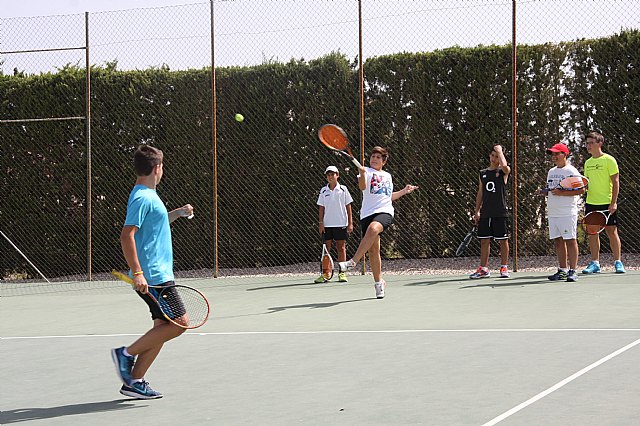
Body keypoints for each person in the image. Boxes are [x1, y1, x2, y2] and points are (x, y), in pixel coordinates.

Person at [111, 145, 194, 399]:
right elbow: (127, 235)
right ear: (157, 168)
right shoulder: (142, 197)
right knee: (180, 324)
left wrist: (177, 214)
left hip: (158, 273)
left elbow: (154, 224)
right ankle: (125, 354)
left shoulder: (147, 195)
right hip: (153, 276)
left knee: (162, 326)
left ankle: (134, 381)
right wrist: (137, 273)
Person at [338, 146, 418, 299]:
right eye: (372, 156)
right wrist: (362, 174)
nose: (374, 159)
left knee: (374, 228)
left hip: (385, 212)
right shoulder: (366, 172)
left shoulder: (387, 176)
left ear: (384, 161)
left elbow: (388, 197)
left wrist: (403, 191)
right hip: (367, 214)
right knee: (374, 251)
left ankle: (352, 262)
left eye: (378, 157)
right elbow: (362, 187)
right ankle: (379, 283)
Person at [537, 143, 585, 282]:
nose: (554, 156)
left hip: (567, 212)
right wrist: (543, 192)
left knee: (570, 240)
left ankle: (573, 271)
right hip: (553, 212)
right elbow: (552, 189)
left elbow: (581, 190)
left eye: (557, 153)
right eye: (552, 154)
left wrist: (562, 193)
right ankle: (563, 270)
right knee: (558, 241)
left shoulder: (572, 171)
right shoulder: (551, 172)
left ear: (565, 154)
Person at [581, 131, 626, 274]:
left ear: (600, 143)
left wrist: (613, 203)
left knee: (612, 232)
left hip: (607, 203)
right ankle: (595, 263)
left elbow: (616, 182)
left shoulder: (609, 160)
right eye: (587, 143)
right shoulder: (588, 163)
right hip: (591, 202)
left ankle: (618, 262)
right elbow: (587, 183)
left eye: (591, 143)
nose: (588, 146)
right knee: (593, 233)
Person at [469, 144, 511, 279]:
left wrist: (500, 150)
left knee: (503, 240)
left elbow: (505, 167)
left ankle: (504, 267)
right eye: (492, 155)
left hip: (500, 212)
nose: (494, 158)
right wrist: (477, 211)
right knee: (484, 241)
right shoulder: (483, 173)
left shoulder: (504, 172)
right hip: (486, 212)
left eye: (497, 156)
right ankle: (483, 269)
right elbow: (480, 193)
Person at [314, 165, 354, 283]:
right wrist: (321, 223)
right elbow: (321, 208)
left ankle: (342, 273)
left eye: (333, 174)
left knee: (341, 248)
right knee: (326, 250)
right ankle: (325, 274)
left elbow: (348, 206)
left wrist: (350, 223)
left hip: (341, 223)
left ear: (338, 175)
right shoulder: (323, 190)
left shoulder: (343, 189)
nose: (331, 177)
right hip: (327, 225)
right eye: (328, 175)